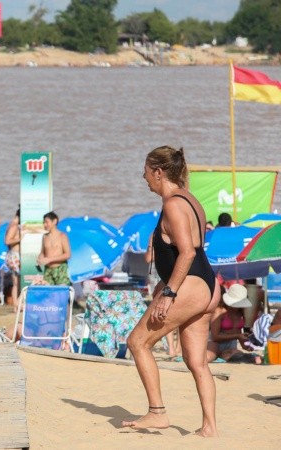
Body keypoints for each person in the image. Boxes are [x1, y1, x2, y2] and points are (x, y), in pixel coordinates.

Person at [123, 146, 220, 437]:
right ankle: (210, 428)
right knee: (197, 362)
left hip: (189, 284)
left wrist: (169, 293)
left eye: (146, 171)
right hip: (205, 283)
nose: (143, 177)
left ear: (159, 172)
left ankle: (157, 413)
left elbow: (187, 253)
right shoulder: (191, 200)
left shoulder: (173, 205)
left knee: (137, 342)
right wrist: (165, 284)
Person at [207, 284, 260, 363]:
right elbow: (215, 336)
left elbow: (238, 332)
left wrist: (245, 345)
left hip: (231, 345)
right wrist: (238, 336)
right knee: (208, 358)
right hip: (215, 344)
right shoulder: (219, 311)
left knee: (242, 358)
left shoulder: (240, 313)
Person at [37, 212, 71, 286]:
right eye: (43, 222)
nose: (44, 225)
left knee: (61, 294)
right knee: (48, 294)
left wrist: (49, 259)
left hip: (60, 269)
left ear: (54, 221)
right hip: (48, 270)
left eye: (46, 222)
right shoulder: (45, 237)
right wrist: (40, 259)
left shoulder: (62, 236)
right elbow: (43, 252)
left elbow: (67, 254)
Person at [3, 208, 21, 303]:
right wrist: (20, 239)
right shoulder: (14, 225)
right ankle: (15, 304)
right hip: (14, 255)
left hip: (14, 255)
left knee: (17, 281)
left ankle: (17, 303)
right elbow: (7, 240)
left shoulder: (15, 225)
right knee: (16, 282)